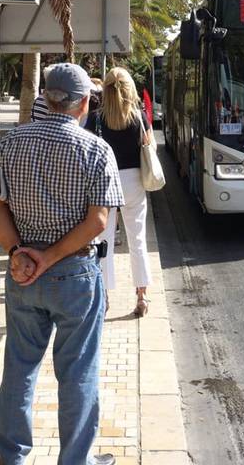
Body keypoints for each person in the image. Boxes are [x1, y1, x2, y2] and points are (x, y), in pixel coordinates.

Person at [0, 62, 124, 465]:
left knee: (19, 366)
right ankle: (76, 460)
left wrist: (19, 254)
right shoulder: (96, 149)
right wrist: (50, 257)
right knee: (78, 371)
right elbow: (98, 221)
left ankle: (12, 457)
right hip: (75, 275)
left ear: (47, 98)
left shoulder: (12, 143)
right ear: (82, 104)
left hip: (23, 272)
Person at [86, 67, 153, 317]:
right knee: (137, 239)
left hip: (105, 182)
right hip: (134, 181)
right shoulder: (137, 117)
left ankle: (103, 297)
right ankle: (142, 296)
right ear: (129, 89)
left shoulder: (97, 118)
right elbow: (149, 145)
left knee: (103, 242)